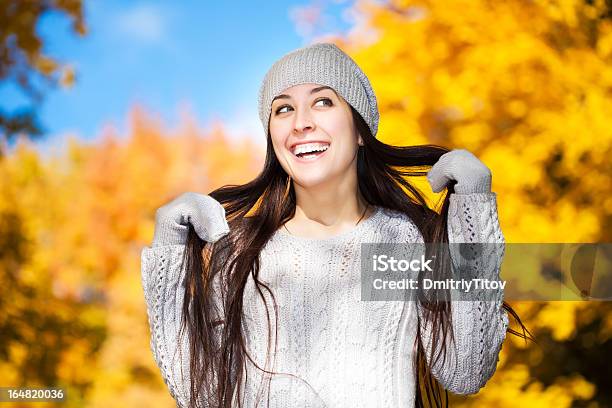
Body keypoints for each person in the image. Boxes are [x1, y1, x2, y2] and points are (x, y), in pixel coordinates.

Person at [141, 42, 528, 408]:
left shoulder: (404, 240)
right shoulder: (243, 250)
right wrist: (170, 252)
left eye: (322, 101)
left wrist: (472, 214)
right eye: (283, 109)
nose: (301, 123)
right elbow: (199, 393)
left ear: (360, 130)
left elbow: (466, 370)